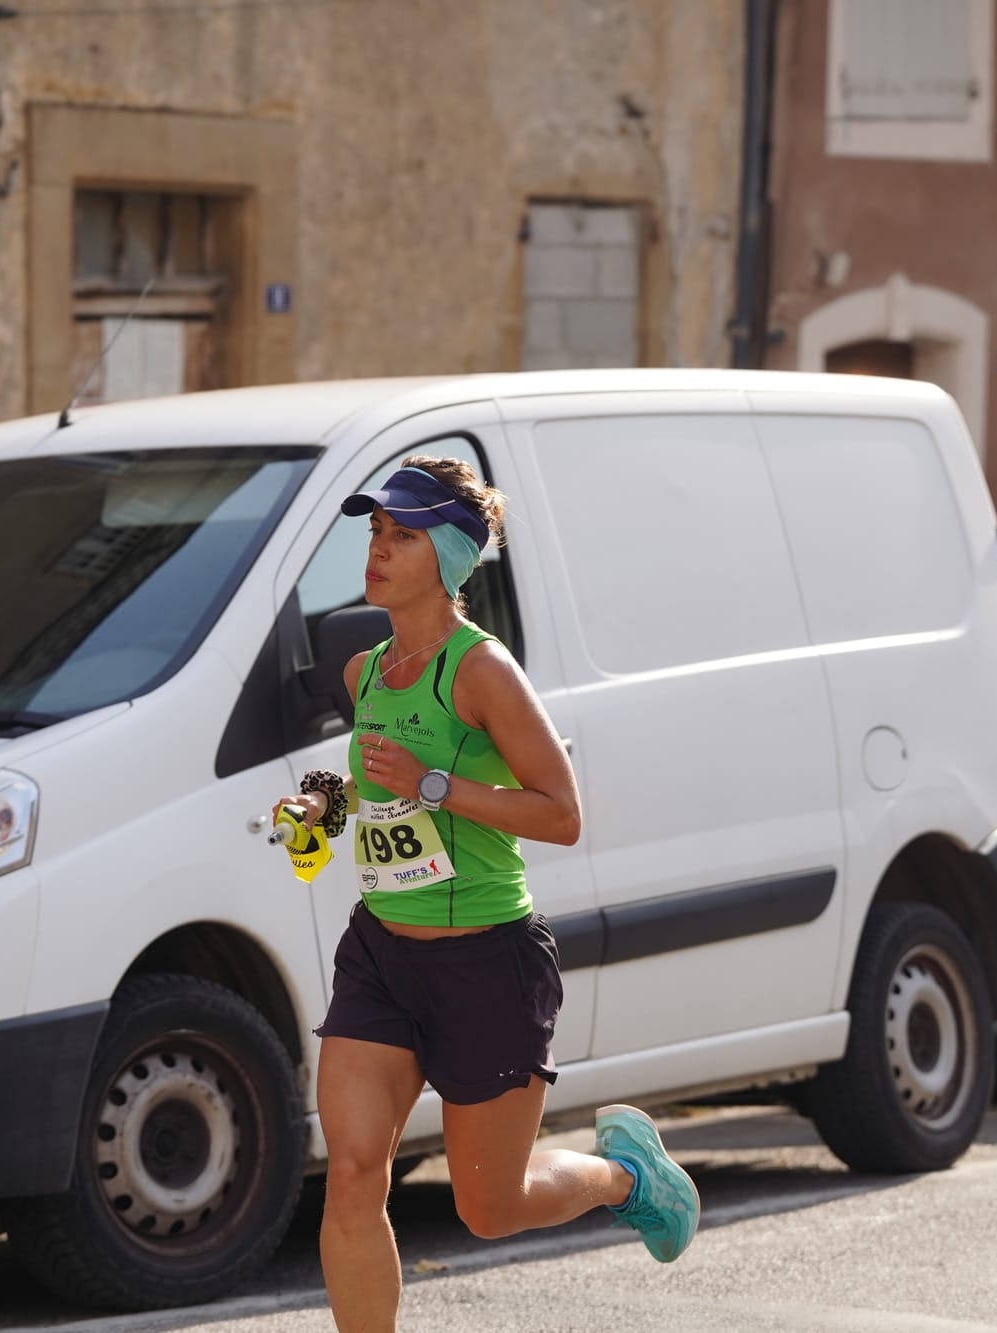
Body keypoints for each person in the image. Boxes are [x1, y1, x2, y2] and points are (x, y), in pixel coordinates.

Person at [276, 457, 699, 1332]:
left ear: (452, 557)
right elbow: (370, 779)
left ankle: (628, 1176)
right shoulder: (365, 672)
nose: (378, 550)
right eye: (375, 533)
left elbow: (561, 812)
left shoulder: (482, 670)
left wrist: (438, 786)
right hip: (381, 955)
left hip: (486, 962)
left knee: (488, 1208)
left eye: (402, 536)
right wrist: (326, 802)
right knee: (353, 1174)